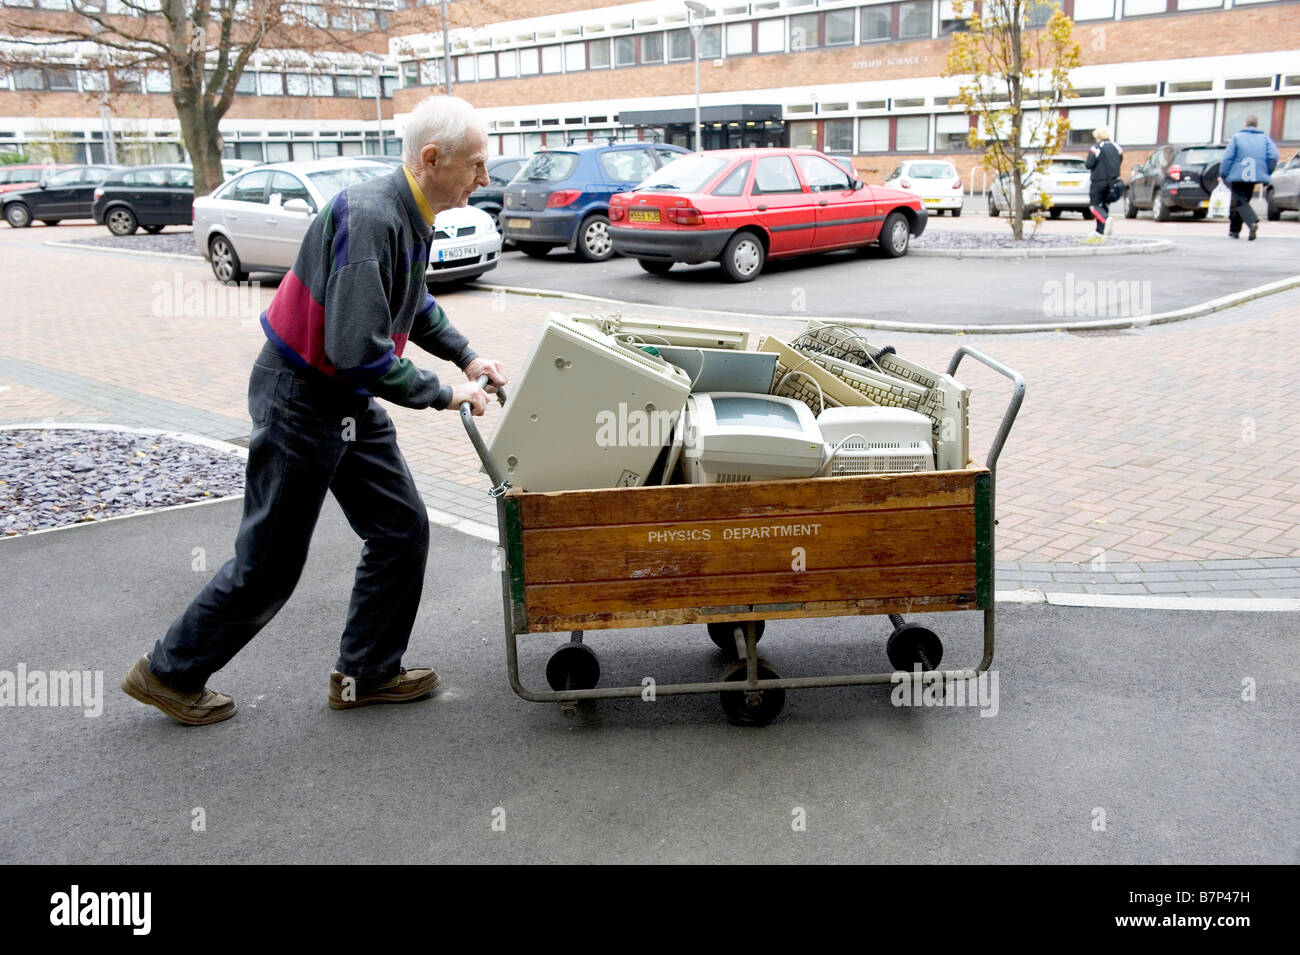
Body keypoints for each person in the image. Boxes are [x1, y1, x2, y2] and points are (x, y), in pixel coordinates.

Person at [122, 95, 507, 725]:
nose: (483, 179)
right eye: (475, 165)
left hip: (342, 398)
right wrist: (442, 393)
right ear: (432, 159)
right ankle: (169, 673)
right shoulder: (374, 218)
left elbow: (414, 302)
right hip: (301, 397)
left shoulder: (408, 214)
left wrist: (466, 357)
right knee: (269, 565)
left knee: (400, 528)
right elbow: (356, 350)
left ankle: (367, 674)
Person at [1220, 114, 1278, 241]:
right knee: (1242, 201)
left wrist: (1223, 173)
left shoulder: (1237, 138)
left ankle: (1251, 222)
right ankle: (1234, 231)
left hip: (1237, 175)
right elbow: (1273, 156)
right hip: (1254, 175)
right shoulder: (1265, 139)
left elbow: (1228, 158)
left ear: (1245, 124)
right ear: (1257, 125)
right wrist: (1267, 172)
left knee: (1239, 201)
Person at [1085, 126, 1123, 237]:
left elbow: (1089, 164)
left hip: (1098, 180)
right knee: (1104, 204)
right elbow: (1120, 160)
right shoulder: (1117, 147)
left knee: (1094, 205)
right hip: (1113, 181)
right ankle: (1100, 231)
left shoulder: (1096, 148)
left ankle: (1105, 220)